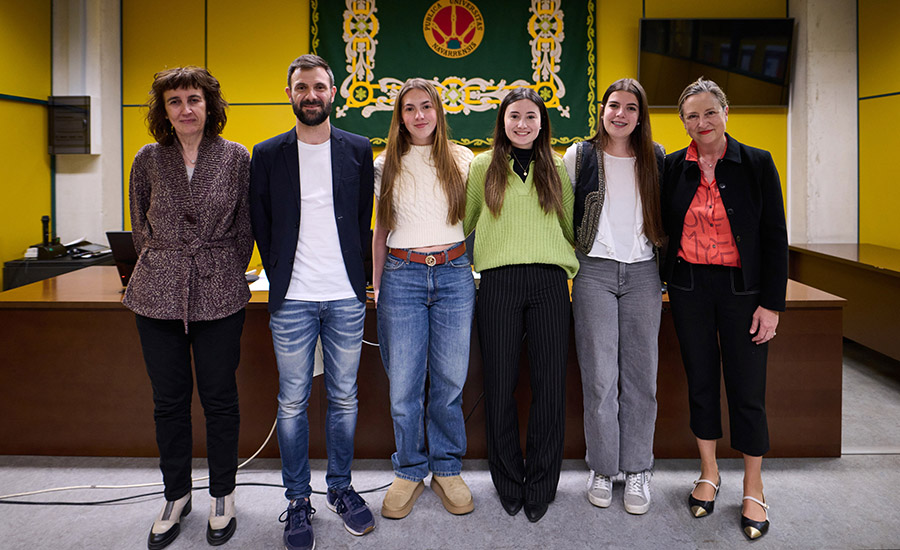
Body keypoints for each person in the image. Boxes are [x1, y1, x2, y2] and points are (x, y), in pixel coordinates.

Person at [248, 54, 375, 550]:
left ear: (333, 92)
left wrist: (362, 279)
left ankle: (340, 489)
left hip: (345, 295)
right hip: (292, 299)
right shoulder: (268, 153)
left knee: (344, 399)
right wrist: (278, 272)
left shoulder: (358, 149)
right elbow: (261, 218)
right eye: (302, 87)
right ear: (290, 94)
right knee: (293, 401)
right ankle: (298, 499)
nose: (311, 94)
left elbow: (364, 215)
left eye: (319, 86)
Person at [124, 66, 252, 549]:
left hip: (220, 291)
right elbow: (140, 228)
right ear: (163, 110)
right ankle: (176, 495)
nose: (185, 109)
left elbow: (245, 228)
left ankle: (223, 493)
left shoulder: (236, 157)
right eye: (174, 101)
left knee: (220, 398)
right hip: (157, 291)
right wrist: (167, 266)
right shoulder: (148, 159)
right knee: (168, 402)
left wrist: (221, 270)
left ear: (209, 105)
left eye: (193, 99)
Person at [661, 77, 788, 540]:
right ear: (683, 123)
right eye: (692, 116)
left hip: (743, 291)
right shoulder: (672, 167)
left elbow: (775, 236)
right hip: (690, 287)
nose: (702, 122)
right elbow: (660, 229)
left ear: (725, 113)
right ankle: (709, 472)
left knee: (747, 388)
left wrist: (771, 304)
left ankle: (753, 485)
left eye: (709, 112)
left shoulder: (756, 163)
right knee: (700, 381)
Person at [464, 87, 578, 523]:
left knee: (550, 387)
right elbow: (464, 221)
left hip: (550, 282)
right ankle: (509, 480)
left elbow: (571, 225)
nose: (523, 124)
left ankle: (542, 484)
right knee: (500, 384)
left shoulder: (556, 167)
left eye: (531, 116)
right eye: (515, 116)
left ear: (542, 123)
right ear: (503, 120)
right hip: (498, 282)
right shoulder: (482, 166)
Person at [372, 78, 476, 519]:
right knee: (405, 385)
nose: (419, 115)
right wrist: (377, 285)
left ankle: (446, 467)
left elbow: (476, 220)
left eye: (426, 107)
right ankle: (410, 468)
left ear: (439, 112)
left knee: (450, 382)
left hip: (454, 274)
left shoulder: (463, 159)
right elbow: (380, 230)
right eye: (409, 108)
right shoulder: (384, 164)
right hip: (402, 275)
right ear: (399, 116)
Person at [563, 78, 665, 515]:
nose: (620, 114)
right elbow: (562, 210)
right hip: (594, 272)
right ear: (601, 110)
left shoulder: (656, 157)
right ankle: (603, 467)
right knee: (600, 378)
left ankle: (639, 468)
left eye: (630, 108)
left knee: (642, 378)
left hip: (644, 274)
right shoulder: (579, 155)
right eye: (613, 106)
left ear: (640, 116)